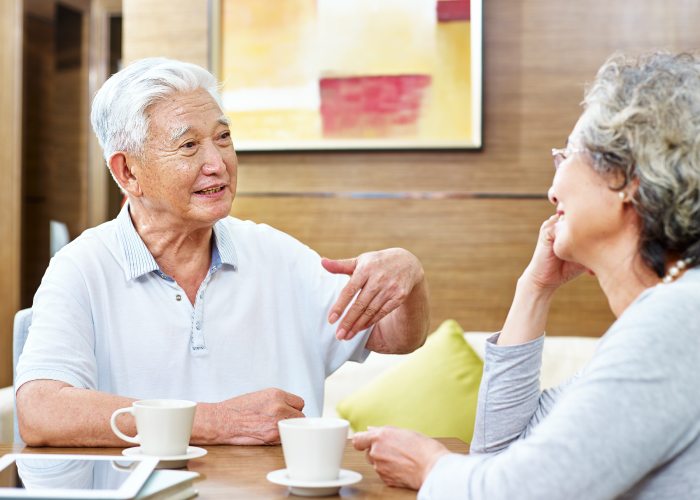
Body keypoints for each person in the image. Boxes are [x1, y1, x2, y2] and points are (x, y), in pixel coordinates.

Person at [15, 58, 431, 447]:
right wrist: (217, 421)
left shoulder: (276, 254)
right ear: (128, 172)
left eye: (223, 137)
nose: (217, 163)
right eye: (189, 146)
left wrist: (409, 275)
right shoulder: (81, 268)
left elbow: (394, 337)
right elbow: (40, 411)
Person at [353, 51, 700, 499]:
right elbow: (498, 451)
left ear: (628, 178)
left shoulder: (675, 323)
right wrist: (533, 290)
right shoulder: (672, 315)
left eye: (567, 156)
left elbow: (520, 493)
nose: (552, 188)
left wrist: (429, 465)